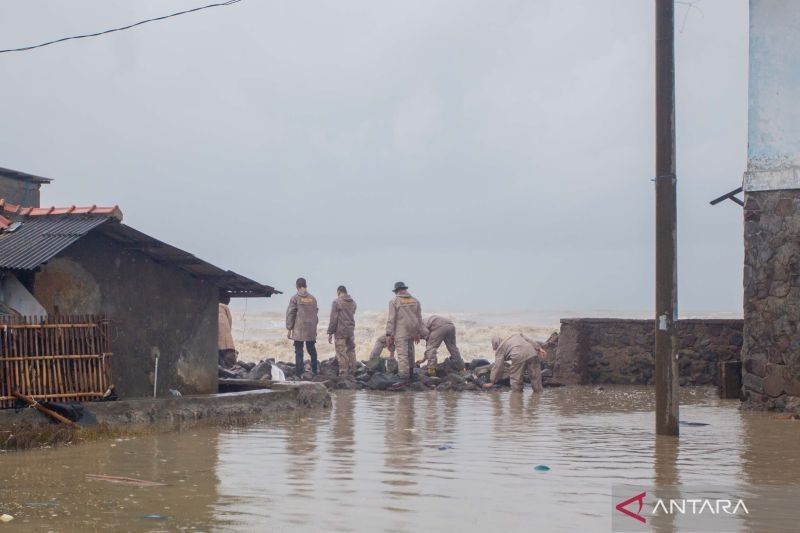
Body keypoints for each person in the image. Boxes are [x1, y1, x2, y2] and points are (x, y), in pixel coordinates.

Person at [385, 281, 423, 381]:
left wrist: (389, 334)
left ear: (396, 291)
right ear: (405, 289)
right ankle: (410, 374)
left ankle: (403, 377)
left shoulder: (394, 301)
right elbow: (419, 318)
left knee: (402, 355)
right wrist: (418, 332)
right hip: (412, 331)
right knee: (410, 353)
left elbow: (391, 319)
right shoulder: (415, 301)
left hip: (401, 332)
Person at [286, 277, 319, 376]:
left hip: (299, 329)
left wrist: (289, 328)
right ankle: (314, 370)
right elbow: (315, 314)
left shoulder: (295, 298)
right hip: (311, 329)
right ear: (306, 286)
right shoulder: (313, 299)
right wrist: (314, 328)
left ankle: (299, 373)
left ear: (297, 287)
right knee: (312, 349)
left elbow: (291, 313)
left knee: (299, 351)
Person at [327, 285, 357, 376]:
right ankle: (353, 370)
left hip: (340, 331)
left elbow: (333, 318)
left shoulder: (336, 302)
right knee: (351, 350)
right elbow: (352, 313)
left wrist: (330, 332)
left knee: (341, 352)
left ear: (338, 292)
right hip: (350, 331)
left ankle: (343, 373)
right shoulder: (353, 302)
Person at [218, 294, 237, 368]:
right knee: (226, 348)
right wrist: (229, 331)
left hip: (217, 335)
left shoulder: (214, 306)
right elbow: (230, 321)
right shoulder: (225, 307)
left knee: (219, 349)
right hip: (225, 334)